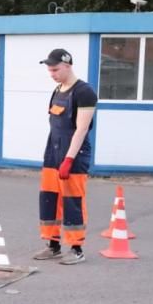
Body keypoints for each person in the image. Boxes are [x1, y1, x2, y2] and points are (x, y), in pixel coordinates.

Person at [33, 48, 97, 265]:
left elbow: (81, 129)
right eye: (49, 70)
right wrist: (54, 156)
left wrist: (69, 159)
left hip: (74, 154)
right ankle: (53, 246)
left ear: (68, 65)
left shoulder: (84, 92)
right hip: (53, 151)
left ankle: (77, 249)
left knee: (72, 201)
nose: (52, 73)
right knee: (49, 199)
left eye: (55, 69)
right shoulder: (58, 89)